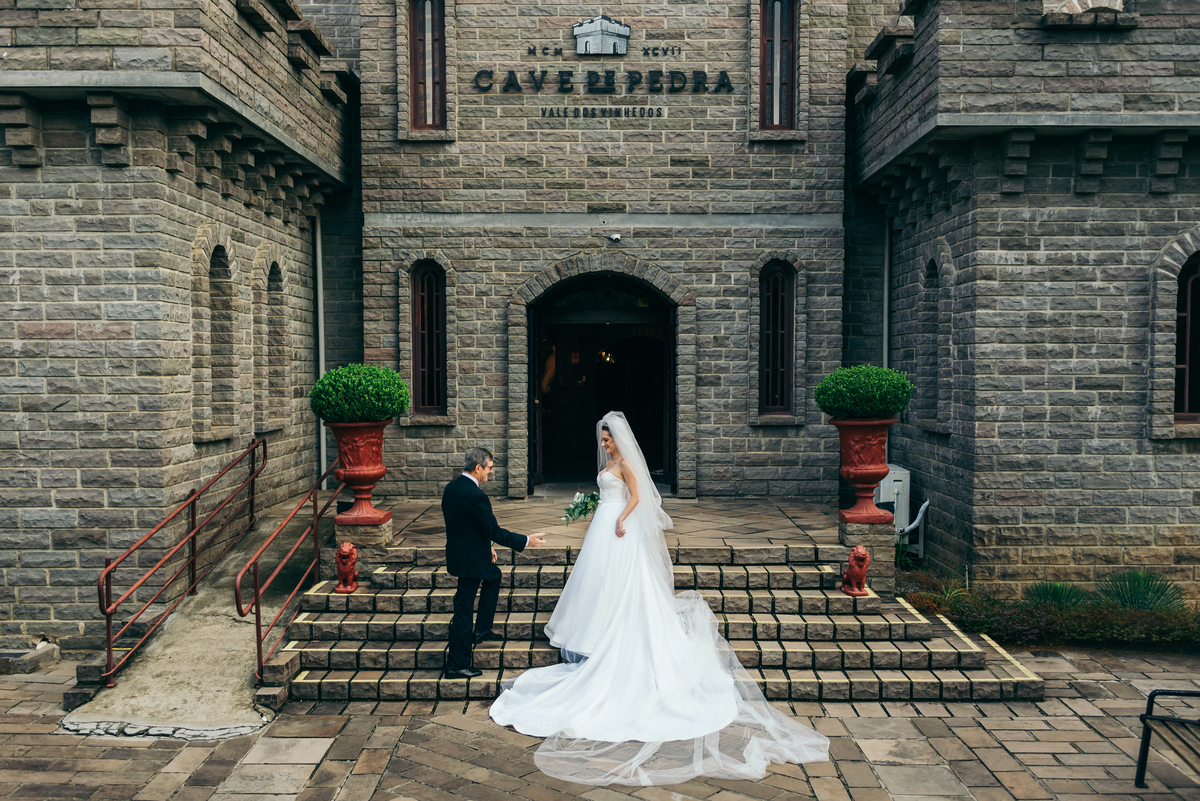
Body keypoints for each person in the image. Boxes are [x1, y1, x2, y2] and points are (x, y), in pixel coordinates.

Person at [488, 411, 830, 786]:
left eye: (606, 439)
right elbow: (609, 491)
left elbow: (637, 496)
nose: (603, 444)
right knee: (598, 582)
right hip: (602, 526)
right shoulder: (608, 463)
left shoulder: (626, 463)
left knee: (623, 583)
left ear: (619, 439)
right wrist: (595, 508)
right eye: (602, 439)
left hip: (617, 527)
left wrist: (621, 519)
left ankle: (615, 636)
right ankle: (594, 634)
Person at [442, 447, 547, 679]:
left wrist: (485, 547)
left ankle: (482, 630)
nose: (490, 472)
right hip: (470, 561)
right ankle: (457, 664)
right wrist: (526, 541)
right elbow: (493, 530)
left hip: (462, 554)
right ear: (477, 468)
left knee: (494, 576)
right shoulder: (476, 495)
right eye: (489, 468)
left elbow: (465, 525)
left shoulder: (452, 488)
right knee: (463, 610)